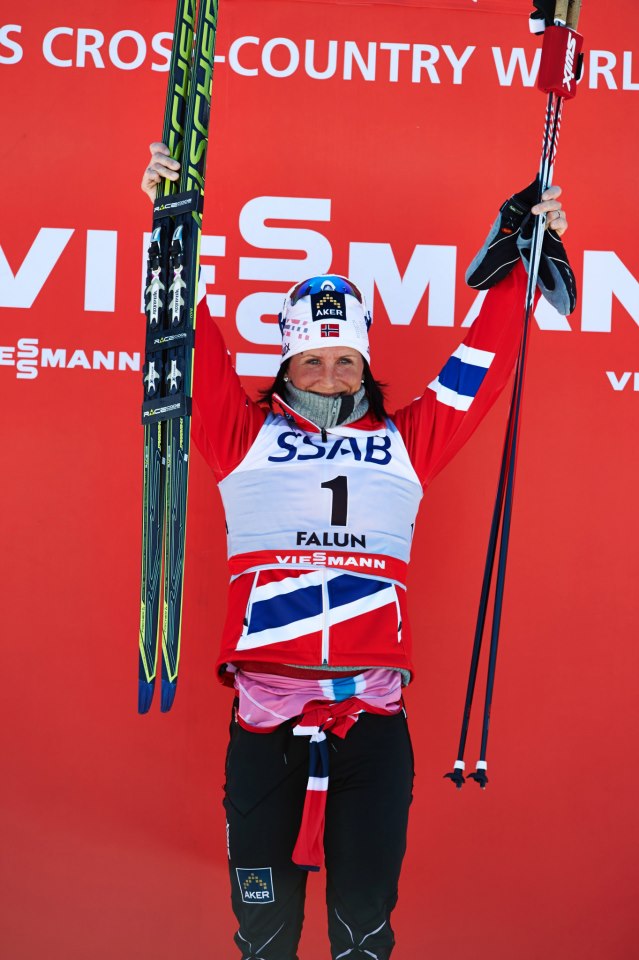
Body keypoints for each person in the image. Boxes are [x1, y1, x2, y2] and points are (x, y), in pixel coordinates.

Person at [141, 143, 573, 960]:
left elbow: (479, 366)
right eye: (314, 358)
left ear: (364, 362)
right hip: (267, 720)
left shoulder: (410, 441)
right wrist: (167, 225)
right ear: (287, 360)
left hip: (373, 725)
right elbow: (183, 339)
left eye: (346, 360)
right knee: (263, 935)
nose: (332, 374)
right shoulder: (243, 434)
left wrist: (524, 261)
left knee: (363, 931)